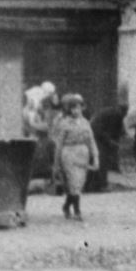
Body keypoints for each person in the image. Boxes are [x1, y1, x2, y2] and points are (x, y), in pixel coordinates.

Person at [52, 93, 98, 222]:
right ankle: (77, 211)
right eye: (73, 108)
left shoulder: (86, 123)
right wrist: (56, 163)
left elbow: (91, 140)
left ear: (82, 108)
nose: (76, 111)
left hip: (82, 154)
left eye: (78, 107)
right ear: (69, 109)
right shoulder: (64, 123)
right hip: (69, 153)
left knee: (79, 183)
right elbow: (59, 144)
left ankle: (67, 205)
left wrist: (95, 156)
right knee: (73, 182)